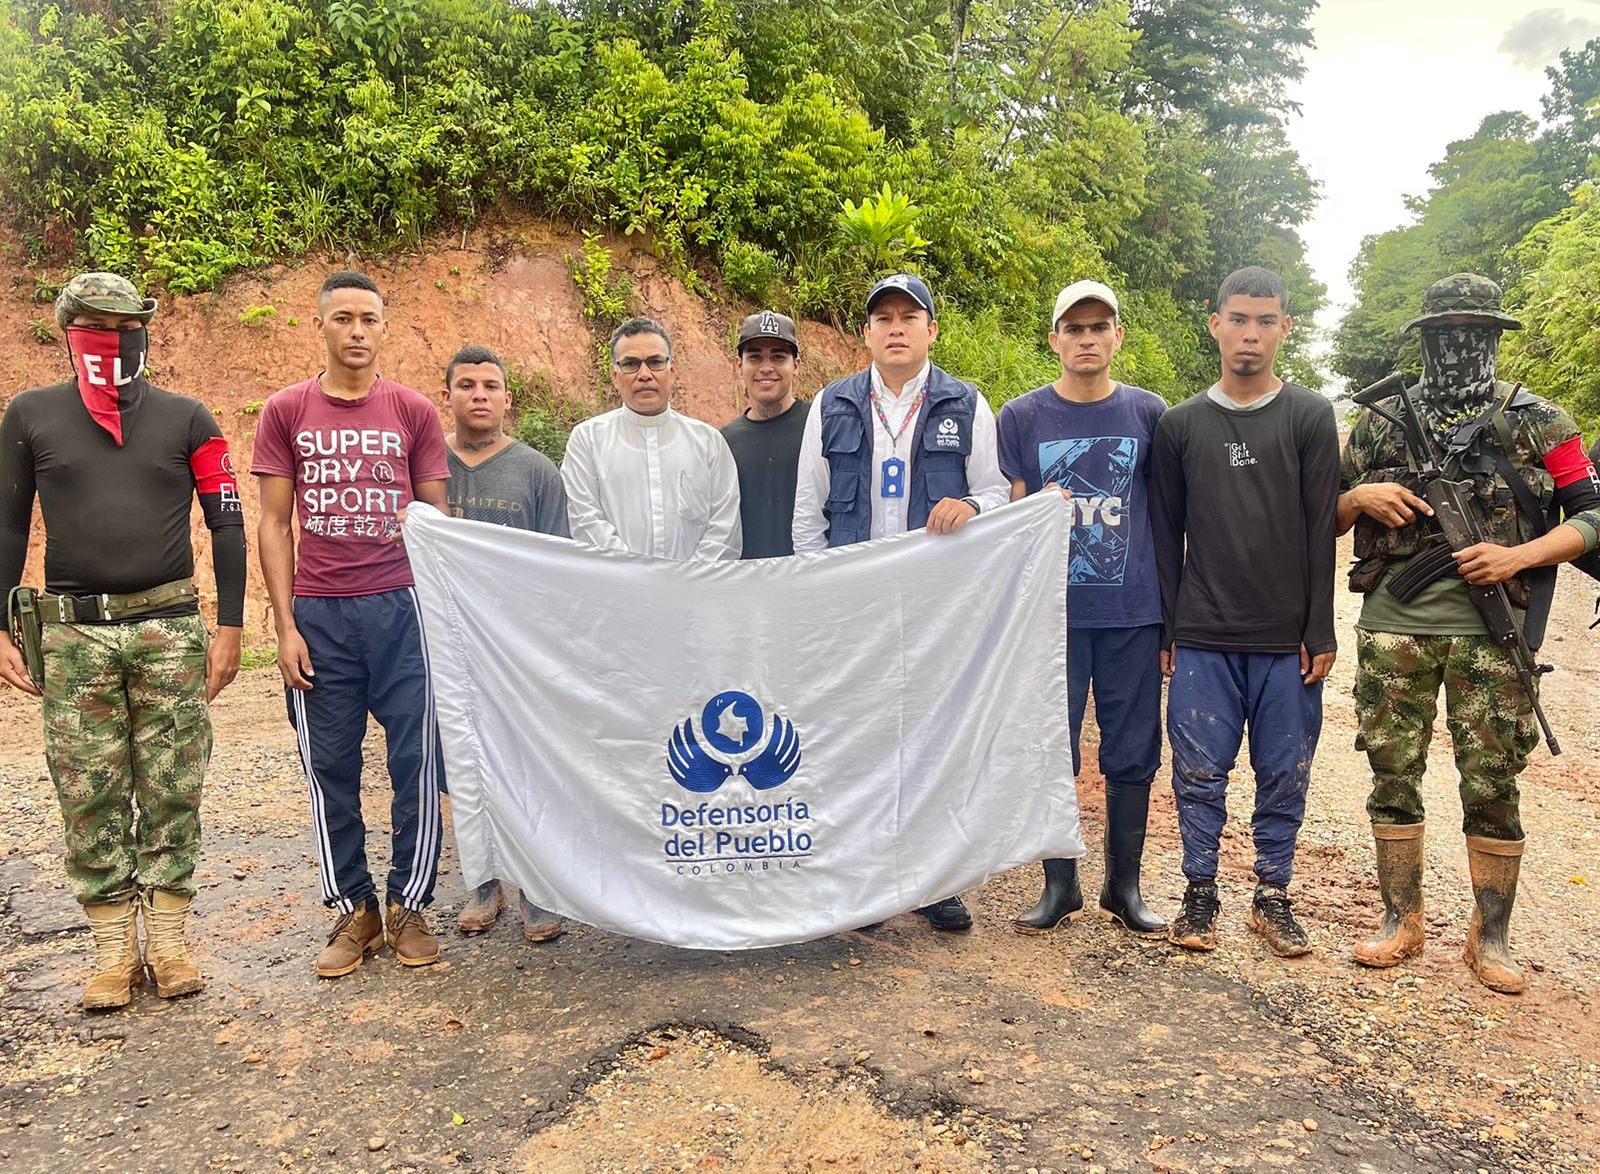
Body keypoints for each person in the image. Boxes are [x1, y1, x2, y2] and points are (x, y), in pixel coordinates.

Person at [1339, 273, 1600, 994]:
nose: (1461, 345)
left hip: (1495, 632)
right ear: (1423, 340)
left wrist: (1519, 555)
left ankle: (1491, 936)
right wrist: (1357, 496)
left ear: (1496, 336)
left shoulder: (1542, 421)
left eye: (1475, 332)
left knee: (1492, 783)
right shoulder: (1380, 422)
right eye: (1445, 333)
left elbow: (1591, 514)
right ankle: (1403, 922)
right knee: (1393, 774)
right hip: (1394, 625)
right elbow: (1319, 515)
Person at [0, 272, 245, 1008]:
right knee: (88, 792)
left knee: (174, 785)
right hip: (74, 633)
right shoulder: (29, 416)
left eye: (126, 324)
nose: (113, 340)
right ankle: (112, 952)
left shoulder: (189, 419)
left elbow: (226, 521)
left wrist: (231, 625)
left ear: (145, 330)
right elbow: (9, 524)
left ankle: (168, 946)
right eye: (95, 324)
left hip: (169, 625)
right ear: (67, 329)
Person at [793, 273, 1010, 932]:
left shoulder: (966, 405)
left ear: (931, 330)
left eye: (908, 317)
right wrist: (825, 596)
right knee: (856, 742)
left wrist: (970, 504)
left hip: (933, 609)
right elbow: (809, 515)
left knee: (928, 743)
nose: (895, 327)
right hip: (854, 611)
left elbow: (998, 493)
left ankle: (930, 880)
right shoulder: (830, 404)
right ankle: (863, 882)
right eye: (882, 317)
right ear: (865, 333)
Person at [253, 270, 451, 978]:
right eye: (343, 318)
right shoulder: (286, 410)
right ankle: (356, 909)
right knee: (329, 765)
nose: (357, 331)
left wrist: (419, 526)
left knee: (415, 762)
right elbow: (274, 525)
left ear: (384, 326)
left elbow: (438, 519)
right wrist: (284, 627)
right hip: (321, 613)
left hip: (402, 611)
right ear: (322, 326)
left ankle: (409, 903)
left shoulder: (414, 411)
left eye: (369, 318)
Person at [1149, 266, 1339, 958]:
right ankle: (1198, 894)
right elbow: (1167, 535)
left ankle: (1273, 896)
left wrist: (1320, 627)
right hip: (1203, 632)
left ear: (1285, 328)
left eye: (1265, 321)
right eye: (1239, 319)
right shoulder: (1181, 425)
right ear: (1215, 325)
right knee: (1198, 770)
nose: (1250, 334)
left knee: (1285, 771)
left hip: (1286, 638)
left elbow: (1322, 527)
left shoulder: (1310, 417)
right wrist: (1169, 627)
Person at [997, 280, 1167, 937]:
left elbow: (1171, 518)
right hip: (1051, 620)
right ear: (1055, 340)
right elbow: (1010, 515)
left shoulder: (1150, 415)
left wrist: (1171, 621)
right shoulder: (1022, 418)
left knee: (1133, 753)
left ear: (1118, 336)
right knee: (1050, 750)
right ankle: (1059, 885)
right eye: (1075, 328)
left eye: (1100, 327)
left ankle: (1123, 889)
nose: (1088, 338)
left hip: (1132, 612)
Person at [440, 344, 569, 942]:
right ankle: (482, 881)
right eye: (466, 385)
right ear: (449, 396)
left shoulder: (537, 472)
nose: (479, 395)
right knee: (461, 764)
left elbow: (556, 562)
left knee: (527, 764)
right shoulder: (427, 467)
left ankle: (537, 888)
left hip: (517, 647)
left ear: (507, 398)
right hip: (447, 645)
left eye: (491, 385)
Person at [562, 318, 741, 561]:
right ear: (615, 376)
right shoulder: (588, 440)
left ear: (672, 370)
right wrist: (636, 575)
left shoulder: (708, 442)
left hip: (693, 591)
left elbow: (725, 527)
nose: (644, 374)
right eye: (631, 364)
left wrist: (687, 579)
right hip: (615, 590)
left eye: (655, 362)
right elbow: (585, 521)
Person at [721, 311, 811, 559]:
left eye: (778, 356)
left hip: (808, 581)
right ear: (739, 365)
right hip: (747, 586)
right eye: (755, 357)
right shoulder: (724, 443)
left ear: (796, 365)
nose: (766, 367)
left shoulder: (820, 427)